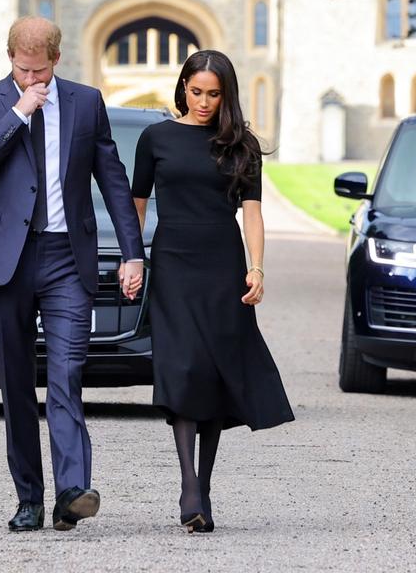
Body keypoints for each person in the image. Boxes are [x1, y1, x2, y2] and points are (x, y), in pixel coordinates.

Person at [0, 16, 145, 532]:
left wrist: (133, 252)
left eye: (40, 70)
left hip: (68, 257)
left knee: (66, 373)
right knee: (16, 382)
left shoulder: (86, 102)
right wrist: (19, 112)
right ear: (10, 59)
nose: (32, 79)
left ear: (57, 60)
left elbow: (113, 179)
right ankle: (29, 499)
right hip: (9, 258)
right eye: (22, 70)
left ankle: (72, 490)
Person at [130, 50, 294, 533]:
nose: (203, 102)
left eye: (213, 93)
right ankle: (189, 487)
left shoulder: (239, 144)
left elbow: (254, 212)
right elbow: (136, 206)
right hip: (173, 264)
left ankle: (203, 486)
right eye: (196, 91)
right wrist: (132, 258)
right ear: (183, 87)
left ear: (227, 94)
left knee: (214, 373)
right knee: (183, 367)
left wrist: (257, 268)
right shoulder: (155, 137)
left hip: (223, 266)